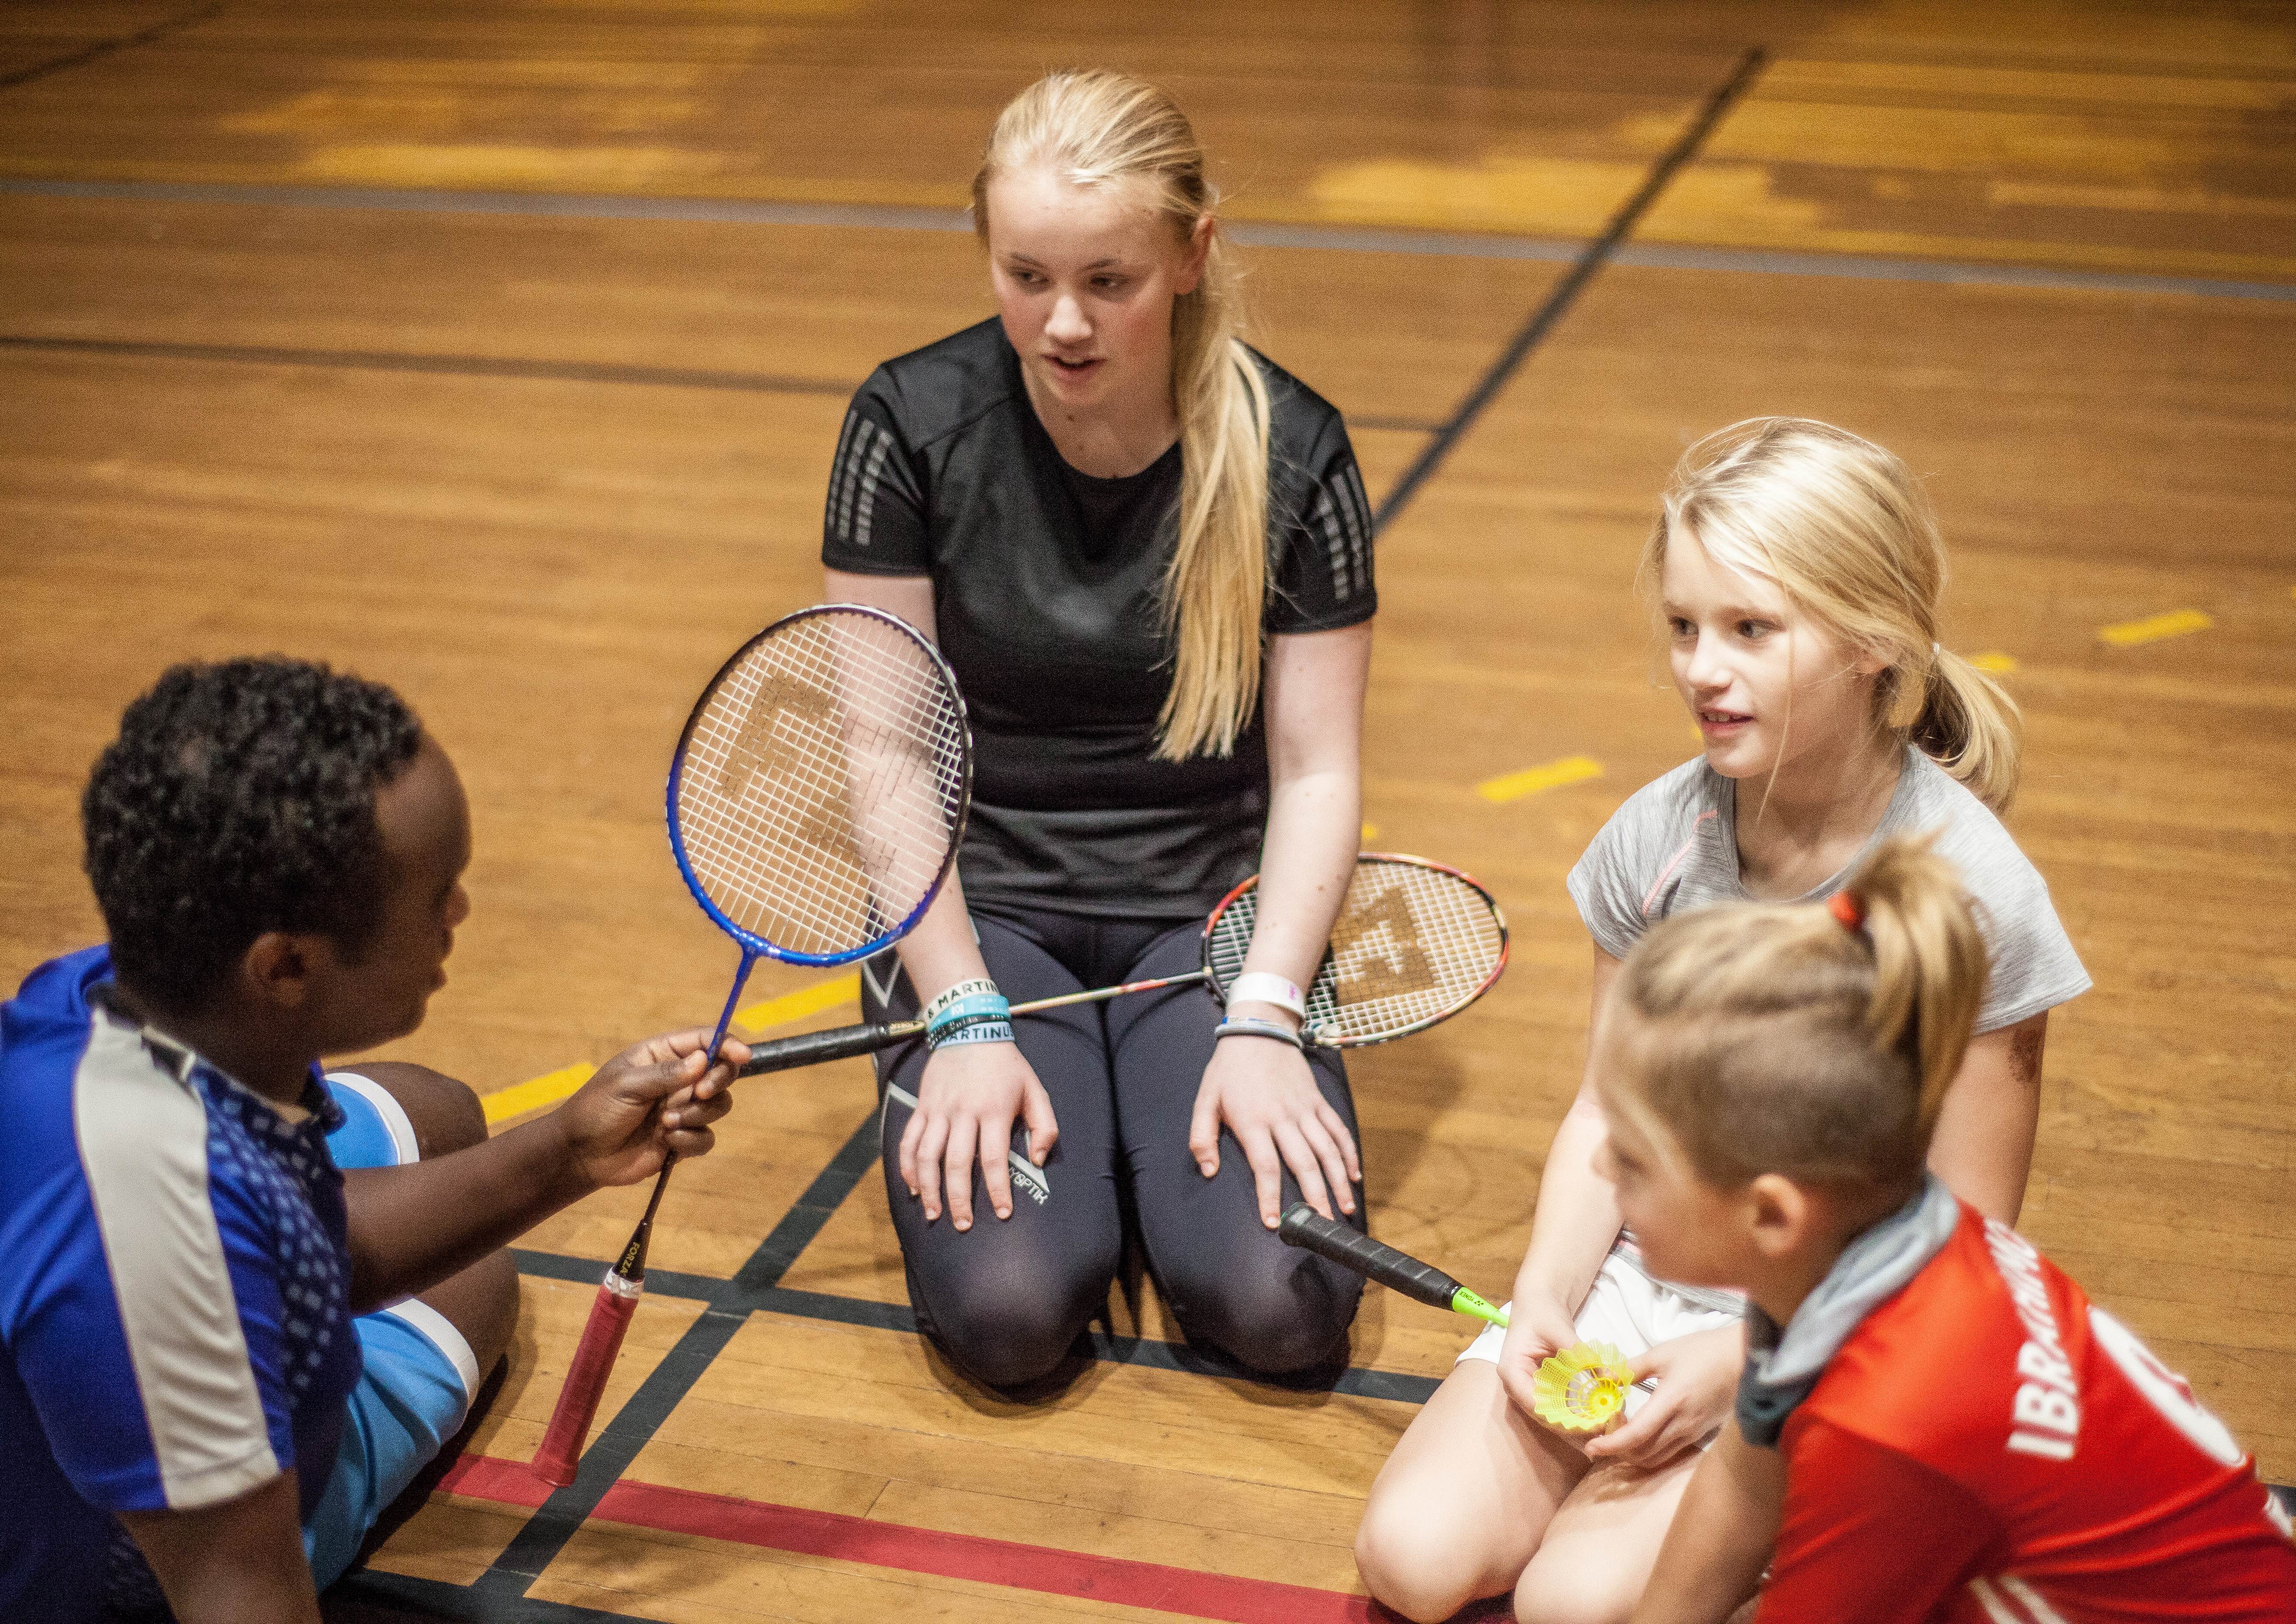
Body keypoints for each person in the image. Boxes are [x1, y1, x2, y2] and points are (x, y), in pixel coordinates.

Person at [1358, 419, 2092, 1622]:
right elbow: (1610, 1108)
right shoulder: (1655, 842)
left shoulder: (1977, 895)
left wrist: (1748, 1365)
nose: (1703, 668)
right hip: (1651, 1273)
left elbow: (1971, 1238)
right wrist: (1548, 1290)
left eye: (1752, 630)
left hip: (1844, 1313)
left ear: (1872, 641)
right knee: (1411, 1557)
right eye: (1686, 627)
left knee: (1573, 1610)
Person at [819, 68, 1376, 1393]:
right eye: (1026, 276)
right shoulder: (907, 426)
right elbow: (886, 755)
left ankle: (1151, 1128)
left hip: (1210, 910)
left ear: (1192, 255)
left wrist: (1264, 1014)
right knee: (1012, 1312)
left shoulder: (1297, 449)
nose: (1062, 323)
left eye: (1109, 281)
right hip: (985, 914)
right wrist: (960, 1012)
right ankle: (1094, 1151)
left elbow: (1317, 768)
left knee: (1279, 1302)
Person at [0, 657, 745, 1624]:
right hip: (124, 1575)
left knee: (435, 1109)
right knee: (482, 1283)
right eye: (438, 894)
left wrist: (571, 1150)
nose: (461, 914)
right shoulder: (147, 1242)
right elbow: (240, 1592)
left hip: (144, 1279)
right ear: (287, 964)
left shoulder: (116, 994)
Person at [1595, 836, 2296, 1623]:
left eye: (1635, 1161)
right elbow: (1748, 1478)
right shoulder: (1868, 1253)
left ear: (1772, 1215)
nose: (1603, 1169)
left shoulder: (1892, 1424)